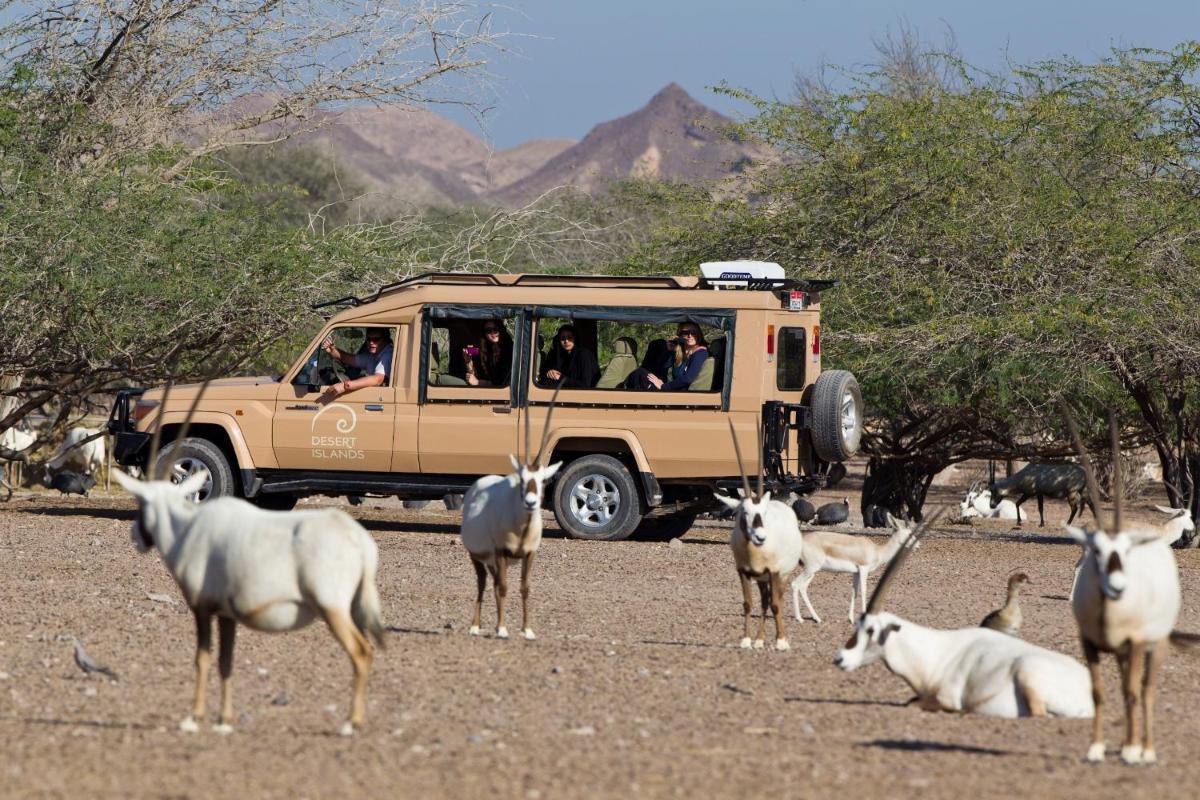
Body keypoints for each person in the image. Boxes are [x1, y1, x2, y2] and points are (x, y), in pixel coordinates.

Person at [622, 323, 709, 391]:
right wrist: (669, 350)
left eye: (693, 332)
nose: (690, 335)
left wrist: (664, 386)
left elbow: (688, 379)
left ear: (699, 334)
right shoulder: (683, 353)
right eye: (685, 333)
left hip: (681, 396)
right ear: (680, 335)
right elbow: (662, 368)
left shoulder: (700, 353)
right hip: (674, 390)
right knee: (641, 372)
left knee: (640, 373)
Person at [322, 327, 393, 398]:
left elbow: (377, 379)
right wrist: (332, 349)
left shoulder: (387, 354)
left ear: (385, 340)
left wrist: (345, 386)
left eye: (376, 339)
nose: (371, 342)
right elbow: (347, 358)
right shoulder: (373, 355)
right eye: (369, 339)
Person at [465, 319, 513, 387]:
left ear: (501, 329)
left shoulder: (510, 349)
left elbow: (502, 382)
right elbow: (473, 376)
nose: (493, 332)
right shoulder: (483, 351)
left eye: (496, 329)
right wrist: (468, 361)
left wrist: (478, 382)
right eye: (488, 330)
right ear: (484, 334)